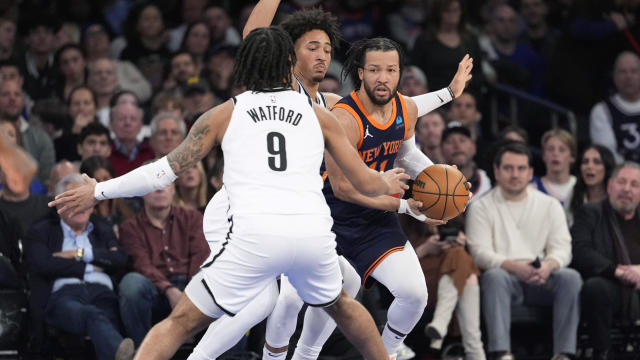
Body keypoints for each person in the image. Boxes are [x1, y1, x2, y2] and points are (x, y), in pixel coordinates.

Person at [49, 26, 411, 360]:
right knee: (344, 305)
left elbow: (163, 172)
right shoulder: (318, 114)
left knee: (179, 324)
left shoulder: (225, 113)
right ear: (290, 64)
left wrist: (99, 190)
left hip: (255, 235)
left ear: (245, 66)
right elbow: (365, 180)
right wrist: (388, 186)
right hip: (312, 234)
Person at [191, 2, 473, 359]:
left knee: (345, 285)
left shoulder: (334, 105)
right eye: (312, 48)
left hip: (312, 208)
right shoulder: (285, 94)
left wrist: (448, 94)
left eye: (327, 49)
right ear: (288, 58)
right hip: (263, 206)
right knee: (278, 298)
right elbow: (252, 38)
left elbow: (402, 108)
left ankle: (309, 355)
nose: (323, 55)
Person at [466, 141, 582, 360]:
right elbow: (479, 252)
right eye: (508, 168)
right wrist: (513, 266)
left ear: (530, 173)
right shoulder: (481, 207)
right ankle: (503, 353)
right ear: (497, 171)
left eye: (521, 168)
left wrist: (549, 265)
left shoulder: (549, 205)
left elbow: (563, 248)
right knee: (494, 277)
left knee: (570, 277)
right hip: (506, 279)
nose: (515, 174)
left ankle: (563, 354)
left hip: (542, 277)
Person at [25, 173, 134, 360]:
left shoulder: (103, 230)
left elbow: (119, 260)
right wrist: (91, 267)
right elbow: (42, 264)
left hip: (103, 294)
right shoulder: (42, 230)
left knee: (107, 322)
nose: (80, 205)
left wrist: (81, 255)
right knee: (94, 316)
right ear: (59, 204)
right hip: (64, 296)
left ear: (93, 205)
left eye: (84, 199)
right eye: (72, 199)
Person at [117, 182, 210, 347]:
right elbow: (142, 264)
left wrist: (190, 293)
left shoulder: (193, 218)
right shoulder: (129, 227)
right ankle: (143, 352)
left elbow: (201, 258)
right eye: (153, 185)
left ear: (173, 189)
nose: (160, 189)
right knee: (131, 283)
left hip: (193, 285)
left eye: (165, 184)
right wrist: (168, 289)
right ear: (141, 192)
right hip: (155, 291)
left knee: (222, 285)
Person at [571, 161, 640, 360]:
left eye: (634, 185)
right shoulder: (591, 213)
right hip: (612, 285)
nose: (627, 189)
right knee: (596, 288)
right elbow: (580, 251)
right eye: (622, 182)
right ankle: (602, 352)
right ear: (610, 185)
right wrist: (619, 271)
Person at [0, 78, 55, 184]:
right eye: (6, 94)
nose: (12, 98)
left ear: (23, 101)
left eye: (17, 94)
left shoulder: (42, 138)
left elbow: (46, 179)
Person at [590, 51, 640, 164]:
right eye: (623, 72)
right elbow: (608, 155)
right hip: (623, 176)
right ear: (614, 76)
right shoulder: (602, 111)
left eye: (634, 71)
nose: (629, 77)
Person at [530, 129, 577, 217]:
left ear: (572, 157)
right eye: (550, 149)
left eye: (562, 150)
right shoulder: (532, 190)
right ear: (544, 156)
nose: (555, 154)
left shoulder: (581, 187)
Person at [440, 122, 491, 201]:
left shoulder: (489, 179)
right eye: (450, 141)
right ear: (441, 151)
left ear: (474, 148)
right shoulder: (435, 184)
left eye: (462, 140)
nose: (457, 145)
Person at [568, 145, 616, 226]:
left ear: (607, 167)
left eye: (597, 162)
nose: (589, 166)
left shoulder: (616, 197)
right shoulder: (573, 195)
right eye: (585, 162)